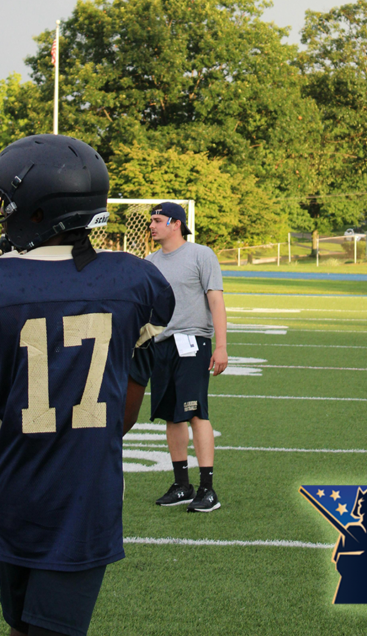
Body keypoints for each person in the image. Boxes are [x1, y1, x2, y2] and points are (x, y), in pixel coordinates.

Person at [0, 135, 175, 636]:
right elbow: (122, 418)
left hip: (17, 490)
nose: (1, 216)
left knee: (24, 627)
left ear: (38, 214)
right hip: (88, 491)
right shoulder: (136, 281)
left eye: (9, 205)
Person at [147, 201, 227, 512]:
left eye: (158, 220)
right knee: (171, 415)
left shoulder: (201, 255)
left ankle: (208, 489)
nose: (152, 225)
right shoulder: (150, 262)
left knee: (196, 413)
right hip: (162, 344)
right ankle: (182, 484)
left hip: (193, 341)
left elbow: (216, 302)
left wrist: (221, 345)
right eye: (151, 220)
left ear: (176, 223)